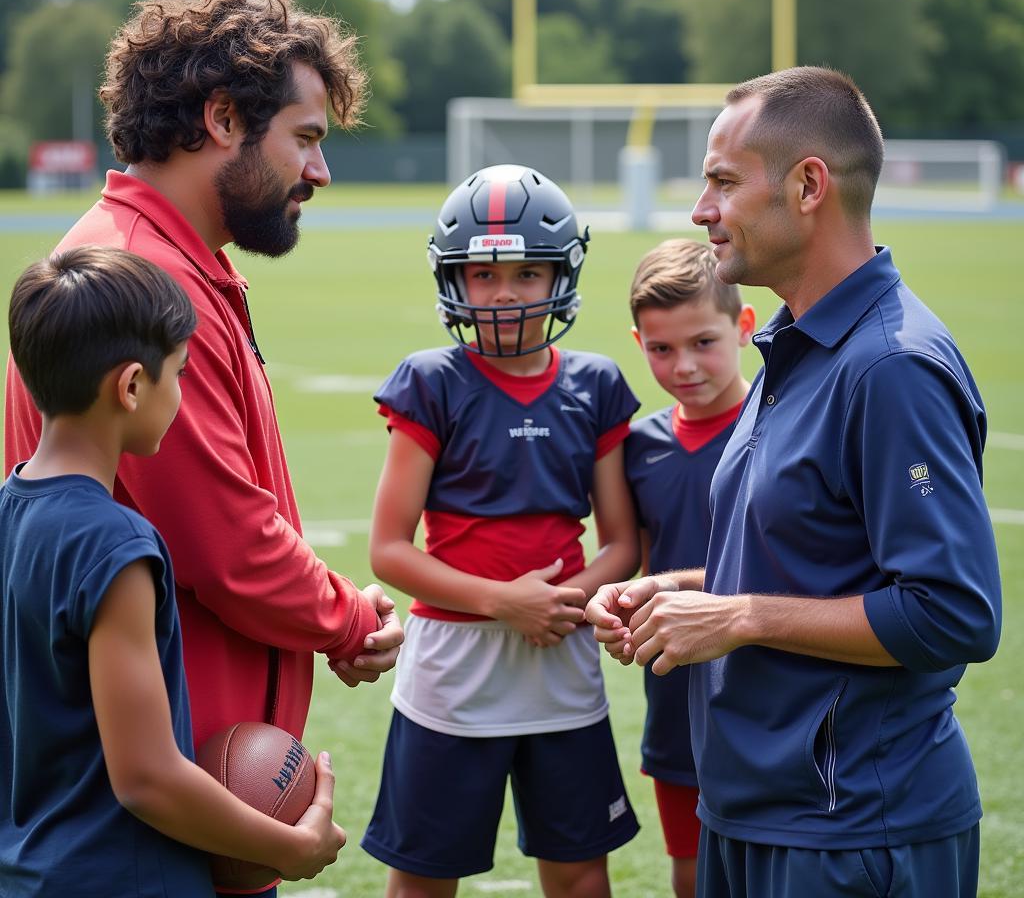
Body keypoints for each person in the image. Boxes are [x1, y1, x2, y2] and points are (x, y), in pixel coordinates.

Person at [3, 0, 402, 897]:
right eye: (305, 138)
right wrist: (349, 617)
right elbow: (226, 545)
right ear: (223, 119)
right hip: (158, 812)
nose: (320, 171)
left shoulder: (151, 256)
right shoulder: (145, 278)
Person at [587, 66, 1001, 898]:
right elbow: (810, 562)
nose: (701, 210)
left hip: (851, 832)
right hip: (749, 812)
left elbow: (953, 612)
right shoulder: (794, 345)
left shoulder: (891, 367)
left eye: (723, 182)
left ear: (808, 185)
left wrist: (738, 616)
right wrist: (674, 592)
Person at [1, 246, 346, 896]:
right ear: (131, 386)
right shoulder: (118, 546)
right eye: (180, 374)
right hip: (124, 878)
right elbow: (146, 777)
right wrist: (292, 846)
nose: (183, 393)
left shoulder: (8, 513)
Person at [360, 164, 641, 898]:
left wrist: (557, 602)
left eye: (526, 271)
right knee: (424, 876)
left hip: (561, 658)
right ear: (454, 279)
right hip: (453, 668)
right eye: (483, 274)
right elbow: (388, 549)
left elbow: (621, 543)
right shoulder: (431, 381)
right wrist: (501, 601)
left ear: (562, 274)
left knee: (580, 871)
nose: (506, 292)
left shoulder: (597, 383)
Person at [623, 238, 755, 898]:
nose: (684, 366)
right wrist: (622, 610)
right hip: (674, 692)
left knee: (772, 861)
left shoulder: (779, 428)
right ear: (638, 341)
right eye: (661, 349)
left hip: (767, 689)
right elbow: (643, 561)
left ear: (745, 327)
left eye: (705, 342)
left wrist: (676, 589)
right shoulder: (639, 445)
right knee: (692, 869)